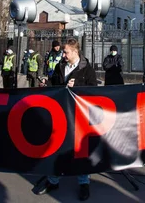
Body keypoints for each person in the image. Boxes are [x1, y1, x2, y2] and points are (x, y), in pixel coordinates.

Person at [33, 38, 97, 201]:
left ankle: (84, 182)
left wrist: (78, 87)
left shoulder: (87, 69)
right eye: (63, 52)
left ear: (75, 52)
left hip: (80, 116)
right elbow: (54, 86)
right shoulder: (60, 66)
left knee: (80, 150)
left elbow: (94, 93)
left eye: (66, 52)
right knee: (58, 146)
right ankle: (54, 180)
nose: (64, 55)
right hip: (61, 114)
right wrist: (46, 84)